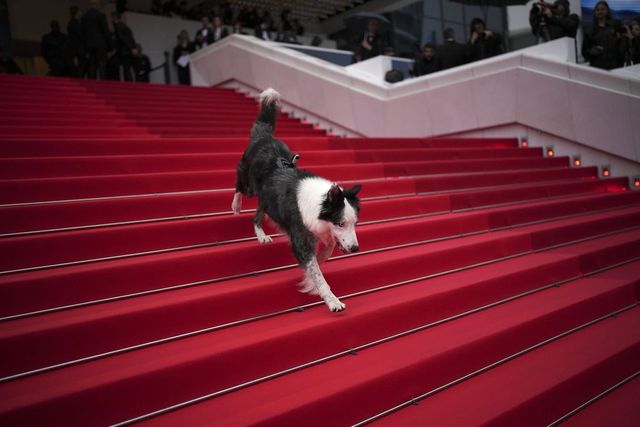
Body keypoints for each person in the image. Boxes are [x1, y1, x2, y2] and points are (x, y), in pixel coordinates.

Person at [582, 1, 625, 70]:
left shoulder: (616, 26)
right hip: (598, 67)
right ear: (595, 12)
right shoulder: (589, 30)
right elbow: (584, 52)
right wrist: (591, 52)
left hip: (616, 66)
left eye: (602, 9)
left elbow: (622, 46)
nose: (600, 12)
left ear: (607, 11)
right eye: (597, 10)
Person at [82, 0, 112, 79]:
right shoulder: (100, 15)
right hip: (100, 44)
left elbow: (83, 33)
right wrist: (110, 47)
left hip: (89, 44)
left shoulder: (84, 17)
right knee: (102, 64)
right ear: (97, 4)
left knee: (92, 64)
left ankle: (92, 83)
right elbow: (105, 31)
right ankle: (102, 85)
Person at [111, 12, 137, 81]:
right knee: (127, 68)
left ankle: (126, 84)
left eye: (112, 17)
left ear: (114, 17)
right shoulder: (125, 26)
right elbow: (130, 38)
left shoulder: (118, 26)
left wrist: (115, 49)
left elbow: (121, 38)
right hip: (127, 50)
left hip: (123, 50)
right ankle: (129, 84)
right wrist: (133, 47)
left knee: (123, 68)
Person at [67, 6, 85, 78]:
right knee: (79, 72)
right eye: (80, 11)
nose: (81, 13)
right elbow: (73, 41)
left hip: (78, 51)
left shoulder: (74, 23)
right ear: (77, 13)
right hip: (78, 52)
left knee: (80, 71)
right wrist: (74, 56)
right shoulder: (73, 24)